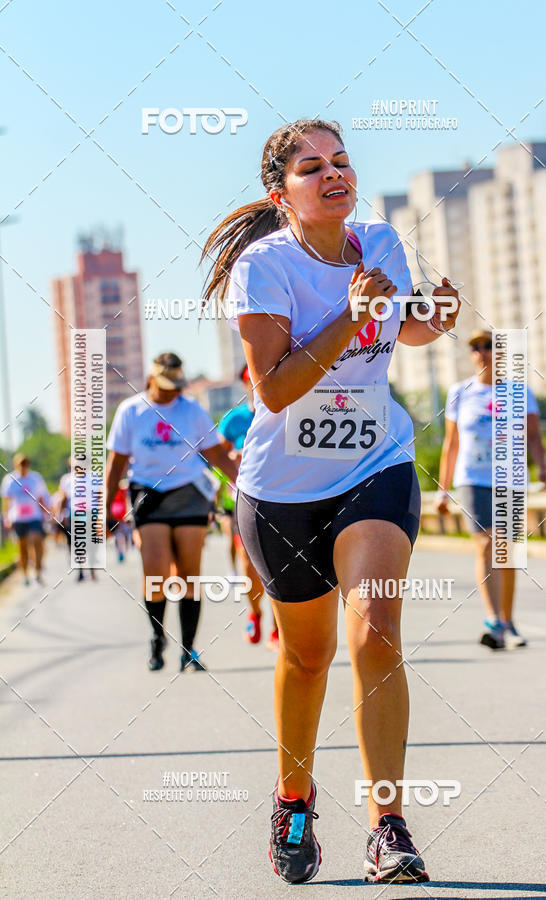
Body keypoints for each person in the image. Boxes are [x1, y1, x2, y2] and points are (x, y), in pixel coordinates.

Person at [201, 119, 460, 884]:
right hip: (282, 491)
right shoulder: (264, 267)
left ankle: (389, 826)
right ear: (280, 193)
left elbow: (396, 331)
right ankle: (293, 796)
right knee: (307, 655)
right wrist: (351, 312)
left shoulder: (379, 240)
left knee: (376, 630)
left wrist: (427, 320)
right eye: (312, 167)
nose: (333, 174)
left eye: (341, 161)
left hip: (374, 463)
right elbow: (273, 389)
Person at [105, 352, 238, 672]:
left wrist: (246, 485)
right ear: (152, 380)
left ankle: (188, 649)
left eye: (177, 386)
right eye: (166, 387)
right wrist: (105, 509)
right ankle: (157, 635)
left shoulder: (191, 410)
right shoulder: (131, 411)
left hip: (189, 493)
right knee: (156, 574)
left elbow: (217, 455)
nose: (172, 392)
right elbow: (117, 464)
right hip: (147, 494)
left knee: (189, 575)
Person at [436, 329, 546, 649]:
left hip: (510, 477)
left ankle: (508, 621)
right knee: (487, 545)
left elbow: (534, 435)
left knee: (508, 550)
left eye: (489, 346)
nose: (483, 352)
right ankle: (494, 620)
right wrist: (442, 490)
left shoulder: (520, 392)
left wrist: (543, 466)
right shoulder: (459, 392)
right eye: (476, 347)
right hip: (472, 478)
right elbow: (452, 444)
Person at [218, 364, 279, 649]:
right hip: (244, 497)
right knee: (248, 561)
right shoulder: (234, 420)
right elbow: (215, 456)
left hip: (283, 494)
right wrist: (233, 457)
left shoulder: (287, 409)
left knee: (282, 563)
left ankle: (279, 626)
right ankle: (255, 612)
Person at [1, 453, 50, 586]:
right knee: (22, 547)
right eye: (20, 464)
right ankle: (25, 574)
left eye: (25, 463)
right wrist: (6, 518)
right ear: (16, 465)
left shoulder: (35, 478)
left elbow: (41, 498)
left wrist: (47, 512)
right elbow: (7, 501)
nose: (23, 466)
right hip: (18, 518)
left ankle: (38, 571)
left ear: (28, 464)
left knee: (37, 541)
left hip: (34, 517)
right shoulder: (10, 480)